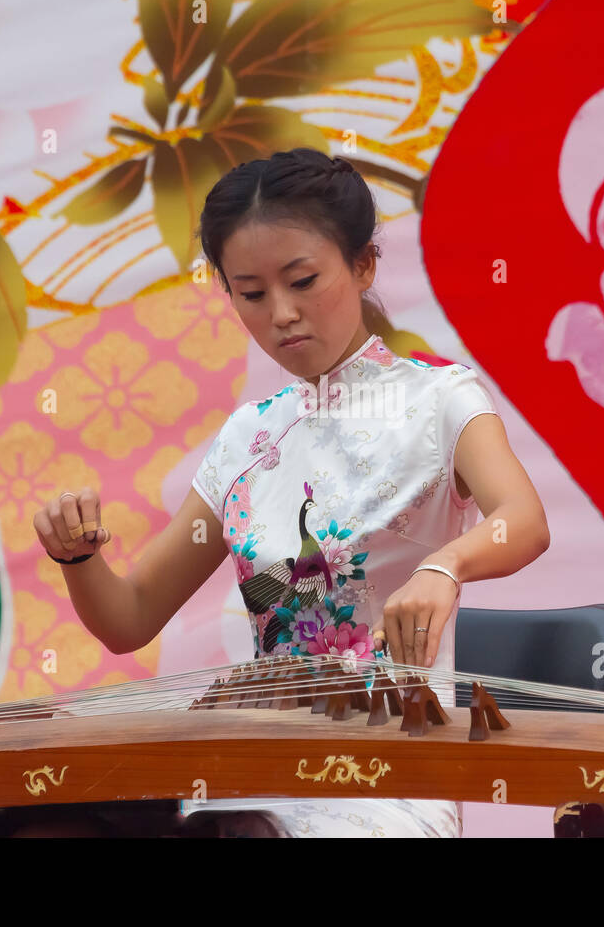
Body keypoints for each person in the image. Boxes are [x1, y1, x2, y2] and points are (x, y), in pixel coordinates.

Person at [32, 147, 551, 837]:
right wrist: (79, 559)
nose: (280, 313)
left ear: (364, 264)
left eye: (302, 280)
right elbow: (129, 617)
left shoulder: (441, 402)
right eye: (250, 293)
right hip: (254, 768)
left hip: (385, 778)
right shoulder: (249, 439)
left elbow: (523, 520)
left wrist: (444, 565)